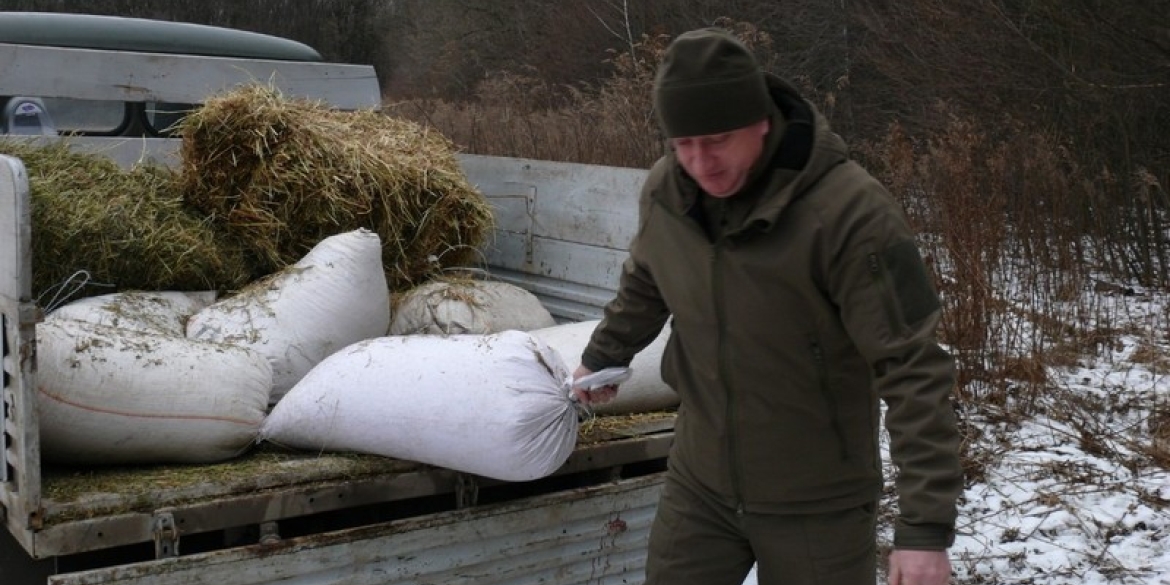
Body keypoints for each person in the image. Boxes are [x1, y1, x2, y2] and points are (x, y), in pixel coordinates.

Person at [571, 27, 963, 585]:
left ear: (761, 120)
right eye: (683, 144)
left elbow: (913, 368)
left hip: (818, 501)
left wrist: (925, 530)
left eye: (718, 139)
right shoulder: (668, 190)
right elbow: (647, 278)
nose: (700, 164)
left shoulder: (851, 214)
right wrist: (604, 355)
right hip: (700, 484)